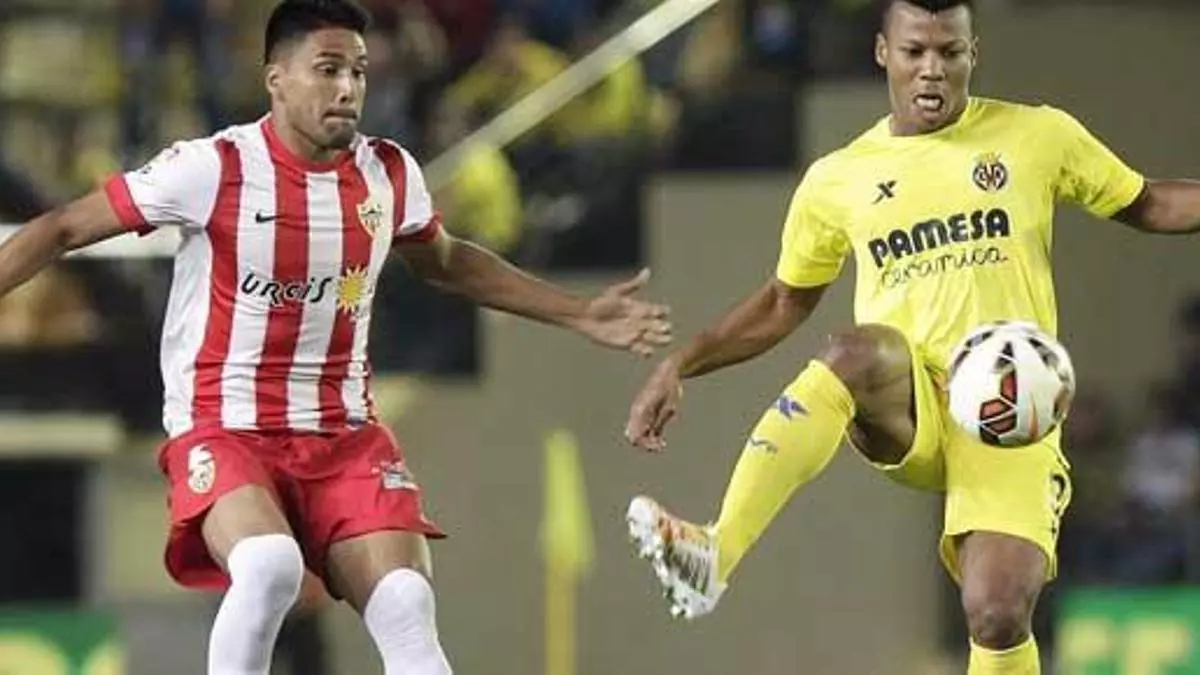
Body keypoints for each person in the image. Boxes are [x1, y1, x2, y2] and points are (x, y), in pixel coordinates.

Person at [0, 2, 673, 674]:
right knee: (268, 568)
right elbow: (61, 228)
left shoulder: (388, 174)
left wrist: (578, 312)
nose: (348, 87)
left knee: (407, 602)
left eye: (358, 71)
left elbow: (445, 260)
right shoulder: (213, 168)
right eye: (327, 69)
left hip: (343, 434)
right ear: (277, 78)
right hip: (226, 427)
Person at [621, 1, 1200, 672]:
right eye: (914, 51)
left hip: (1010, 413)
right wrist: (682, 363)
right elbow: (783, 302)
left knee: (997, 610)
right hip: (911, 397)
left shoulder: (1037, 135)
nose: (932, 70)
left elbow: (1148, 201)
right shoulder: (838, 178)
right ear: (882, 53)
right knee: (852, 351)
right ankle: (714, 552)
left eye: (949, 53)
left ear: (972, 54)